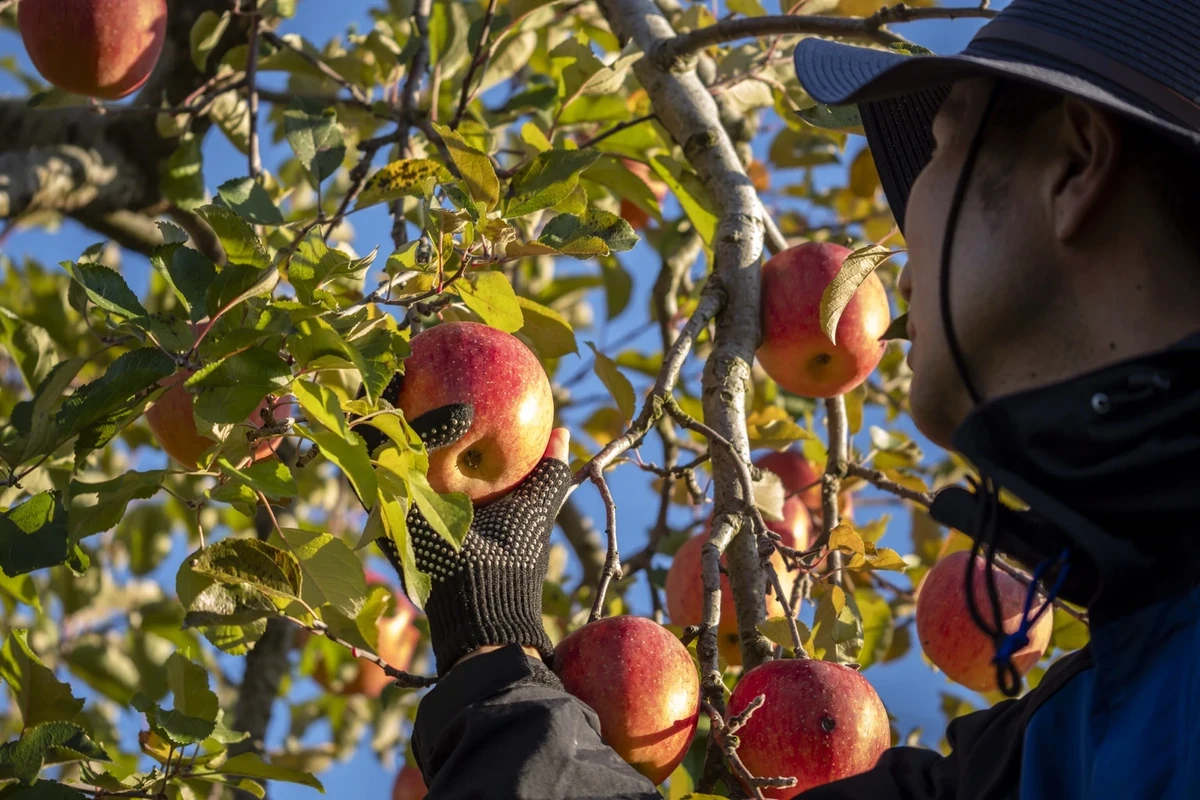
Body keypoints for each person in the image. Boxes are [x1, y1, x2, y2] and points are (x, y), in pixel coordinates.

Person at [375, 0, 1200, 796]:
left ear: (1077, 162)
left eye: (942, 153)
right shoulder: (1085, 728)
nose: (903, 245)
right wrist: (490, 644)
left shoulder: (1130, 712)